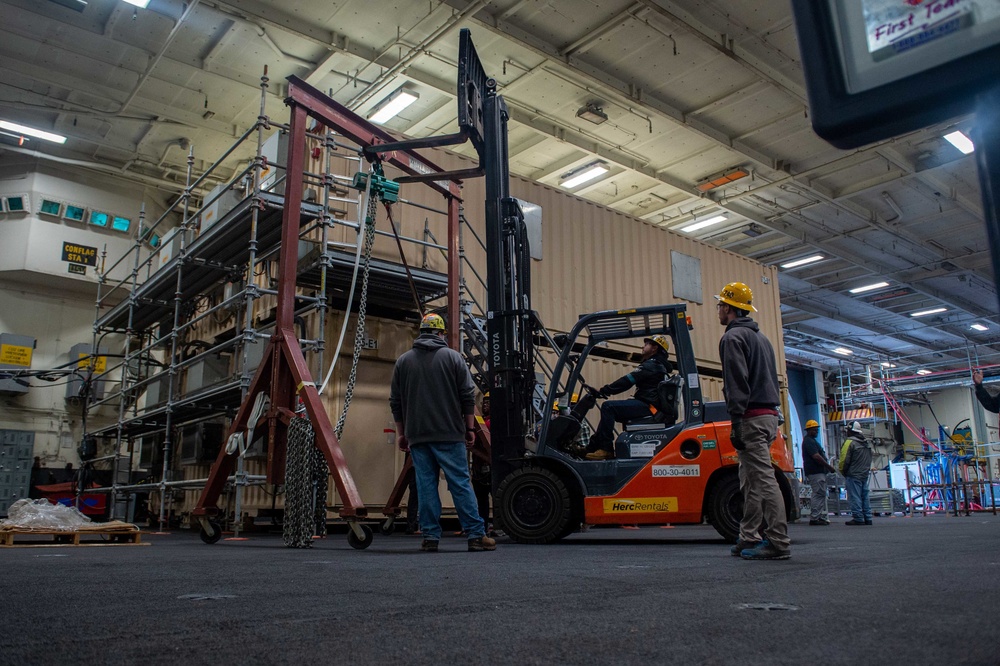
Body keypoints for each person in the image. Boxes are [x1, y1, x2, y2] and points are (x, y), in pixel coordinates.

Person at [389, 313, 496, 552]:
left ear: (421, 332)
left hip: (418, 435)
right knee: (460, 483)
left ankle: (430, 538)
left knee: (426, 485)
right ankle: (476, 536)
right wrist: (470, 429)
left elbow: (395, 402)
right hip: (449, 434)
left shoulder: (403, 361)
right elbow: (467, 396)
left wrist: (402, 433)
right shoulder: (453, 358)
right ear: (441, 334)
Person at [715, 281, 791, 561]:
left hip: (751, 418)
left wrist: (735, 421)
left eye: (720, 305)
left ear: (729, 308)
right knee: (748, 480)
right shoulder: (762, 339)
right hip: (769, 417)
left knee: (763, 480)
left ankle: (779, 542)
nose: (718, 310)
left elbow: (737, 383)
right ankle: (748, 535)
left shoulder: (732, 339)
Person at [584, 334, 673, 460]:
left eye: (647, 344)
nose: (643, 346)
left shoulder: (651, 365)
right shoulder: (657, 365)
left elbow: (626, 381)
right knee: (610, 411)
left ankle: (606, 449)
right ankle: (592, 447)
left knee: (608, 407)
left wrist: (605, 390)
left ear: (654, 348)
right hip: (648, 404)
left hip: (648, 406)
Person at [802, 419, 837, 525]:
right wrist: (829, 467)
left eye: (817, 430)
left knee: (820, 493)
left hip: (818, 472)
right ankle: (814, 518)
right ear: (808, 430)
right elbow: (816, 456)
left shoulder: (812, 441)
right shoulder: (809, 441)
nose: (816, 432)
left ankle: (818, 516)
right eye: (814, 430)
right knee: (818, 493)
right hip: (815, 472)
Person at [839, 421, 873, 526]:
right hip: (864, 474)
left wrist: (844, 472)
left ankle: (858, 517)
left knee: (855, 496)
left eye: (847, 430)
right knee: (864, 496)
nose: (846, 432)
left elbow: (843, 460)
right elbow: (869, 458)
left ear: (851, 431)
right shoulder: (866, 443)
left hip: (853, 474)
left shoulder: (849, 442)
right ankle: (868, 517)